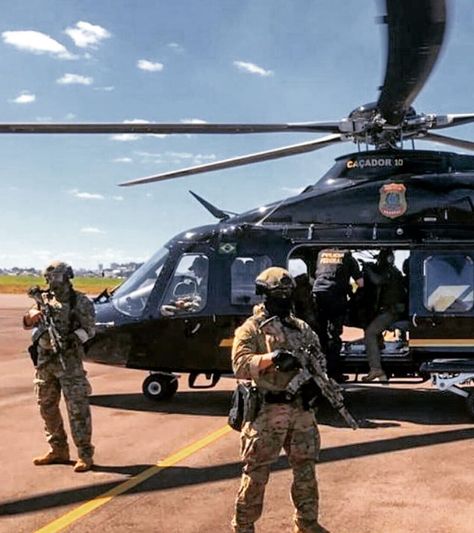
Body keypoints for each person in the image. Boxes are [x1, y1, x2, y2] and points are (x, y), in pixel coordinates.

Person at [231, 266, 327, 533]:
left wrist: (314, 384)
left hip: (300, 410)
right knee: (256, 473)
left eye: (288, 292)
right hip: (267, 411)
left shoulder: (302, 327)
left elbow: (318, 360)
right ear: (265, 294)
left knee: (306, 470)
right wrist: (270, 359)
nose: (284, 297)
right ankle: (244, 526)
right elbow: (239, 365)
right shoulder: (251, 329)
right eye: (278, 292)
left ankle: (307, 523)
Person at [23, 261, 96, 472]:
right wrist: (30, 318)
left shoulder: (80, 301)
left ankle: (85, 454)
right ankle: (58, 450)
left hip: (69, 362)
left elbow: (90, 329)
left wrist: (71, 340)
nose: (51, 282)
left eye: (55, 277)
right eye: (48, 278)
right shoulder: (43, 299)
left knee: (77, 409)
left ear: (66, 277)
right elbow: (28, 324)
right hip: (45, 362)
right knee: (47, 407)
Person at [312, 249, 363, 382]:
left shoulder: (321, 254)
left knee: (320, 335)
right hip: (336, 296)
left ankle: (319, 372)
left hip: (318, 295)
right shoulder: (348, 257)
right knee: (334, 336)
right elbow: (361, 283)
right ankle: (334, 373)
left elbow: (314, 276)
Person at [362, 249, 406, 382]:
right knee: (371, 322)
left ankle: (375, 369)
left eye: (381, 258)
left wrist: (367, 269)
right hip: (390, 310)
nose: (379, 261)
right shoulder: (393, 271)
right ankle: (378, 350)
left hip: (392, 312)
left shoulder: (390, 272)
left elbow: (377, 280)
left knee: (370, 333)